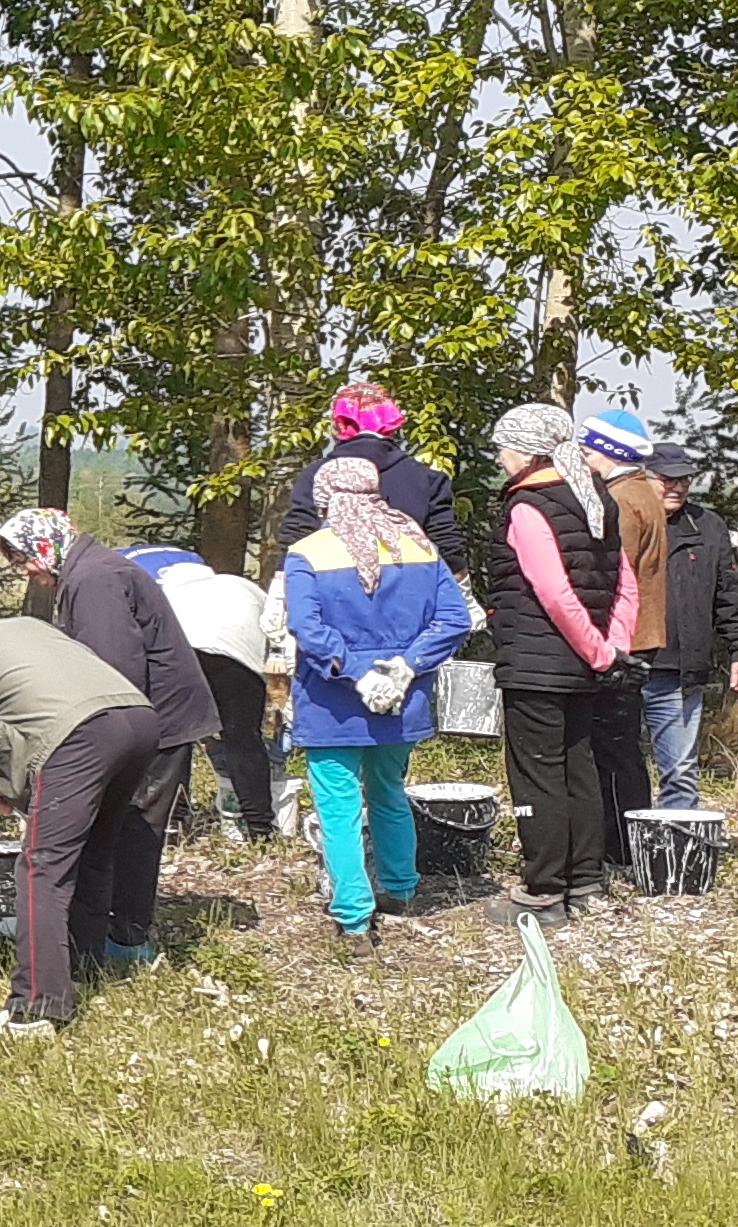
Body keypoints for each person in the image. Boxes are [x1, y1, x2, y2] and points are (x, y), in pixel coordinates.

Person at [0, 608, 160, 1030]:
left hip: (80, 735)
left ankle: (37, 1007)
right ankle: (83, 968)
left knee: (41, 870)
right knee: (92, 855)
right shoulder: (20, 629)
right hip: (136, 717)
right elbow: (30, 710)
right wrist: (13, 788)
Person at [0, 509, 219, 972]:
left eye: (24, 560)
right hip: (148, 712)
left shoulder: (94, 580)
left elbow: (114, 667)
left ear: (45, 546)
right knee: (124, 823)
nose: (26, 572)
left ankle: (127, 936)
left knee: (133, 825)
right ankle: (111, 928)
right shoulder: (88, 570)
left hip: (155, 717)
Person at [279, 456, 474, 948]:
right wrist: (407, 666)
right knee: (388, 789)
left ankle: (353, 917)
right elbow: (454, 619)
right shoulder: (419, 547)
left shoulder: (308, 553)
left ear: (326, 498)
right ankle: (402, 887)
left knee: (339, 807)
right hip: (403, 698)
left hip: (331, 700)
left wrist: (354, 672)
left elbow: (306, 627)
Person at [476, 401, 637, 918]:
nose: (500, 457)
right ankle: (586, 883)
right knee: (579, 769)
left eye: (504, 447)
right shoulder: (597, 499)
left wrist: (595, 648)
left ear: (526, 452)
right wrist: (614, 648)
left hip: (537, 659)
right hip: (588, 664)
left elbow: (552, 590)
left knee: (537, 775)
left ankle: (543, 890)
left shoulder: (529, 506)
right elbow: (625, 582)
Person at [119, 535, 282, 841]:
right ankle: (260, 827)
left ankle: (172, 821)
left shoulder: (124, 564)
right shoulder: (216, 574)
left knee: (176, 737)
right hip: (240, 631)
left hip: (181, 636)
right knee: (243, 736)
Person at [639, 443, 738, 808]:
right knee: (616, 765)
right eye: (667, 479)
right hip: (622, 667)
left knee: (679, 772)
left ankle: (677, 851)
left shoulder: (707, 527)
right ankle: (620, 852)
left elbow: (730, 594)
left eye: (684, 479)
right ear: (644, 478)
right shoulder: (620, 519)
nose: (677, 487)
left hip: (679, 670)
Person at [580, 403, 672, 839]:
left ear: (609, 452)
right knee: (624, 745)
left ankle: (619, 840)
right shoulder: (645, 494)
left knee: (614, 747)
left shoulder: (620, 499)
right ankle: (628, 834)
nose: (583, 457)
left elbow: (617, 571)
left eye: (589, 450)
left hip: (625, 637)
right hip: (644, 633)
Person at [273, 381, 470, 577]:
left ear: (337, 426)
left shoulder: (316, 475)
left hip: (333, 593)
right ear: (392, 423)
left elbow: (297, 539)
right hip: (410, 594)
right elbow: (450, 556)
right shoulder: (428, 479)